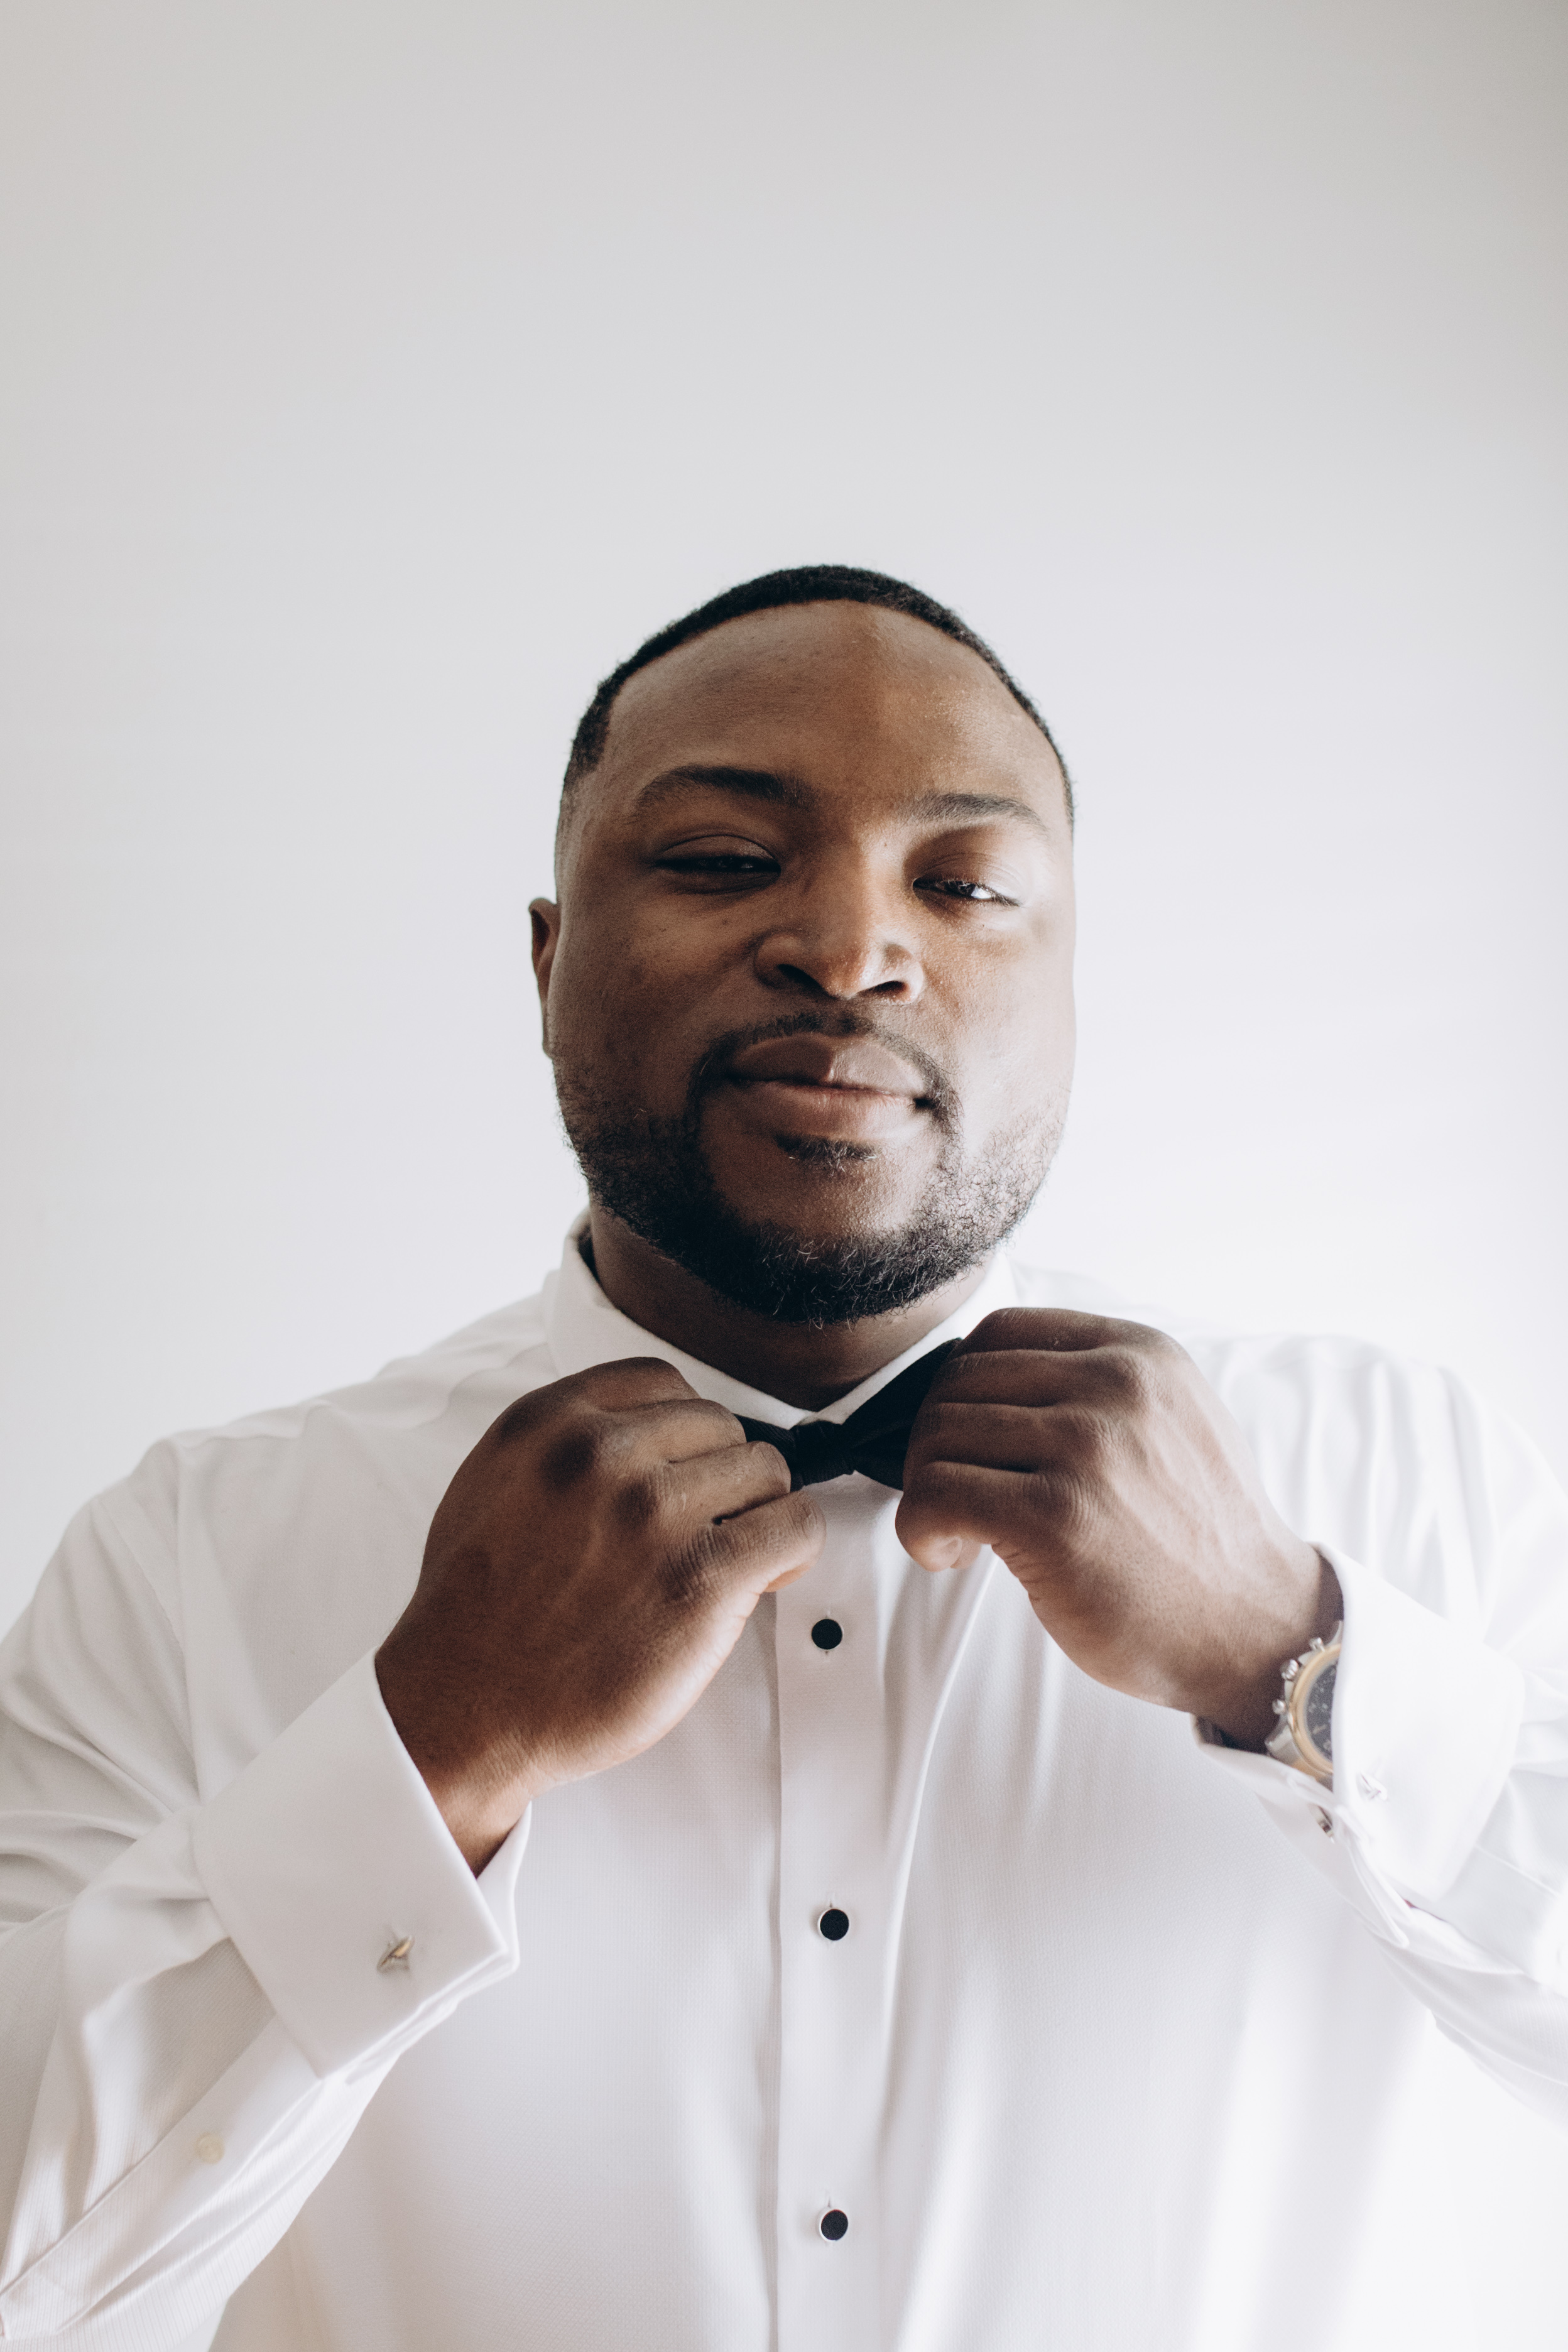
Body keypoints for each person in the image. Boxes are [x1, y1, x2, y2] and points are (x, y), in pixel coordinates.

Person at [1, 565, 1565, 2352]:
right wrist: (428, 1753)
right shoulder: (188, 1556)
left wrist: (1299, 1659)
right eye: (723, 858)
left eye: (963, 884)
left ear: (1072, 988)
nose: (848, 945)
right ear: (547, 962)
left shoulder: (1412, 1480)